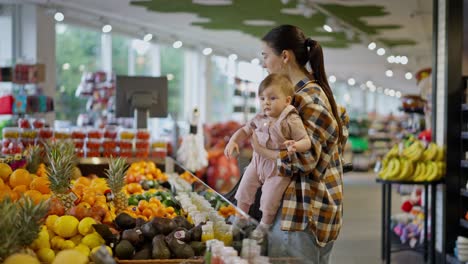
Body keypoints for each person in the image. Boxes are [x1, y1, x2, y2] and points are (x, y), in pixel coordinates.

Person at [252, 25, 349, 264]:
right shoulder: (304, 94)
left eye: (266, 56)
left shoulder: (307, 99)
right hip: (309, 213)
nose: (264, 63)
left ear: (285, 56)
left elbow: (305, 159)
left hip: (300, 215)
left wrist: (262, 151)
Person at [224, 73, 311, 232]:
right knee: (244, 189)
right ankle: (240, 217)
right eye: (262, 99)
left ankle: (264, 226)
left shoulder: (290, 120)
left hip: (277, 168)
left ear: (287, 100)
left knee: (270, 198)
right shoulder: (259, 117)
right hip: (257, 162)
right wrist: (233, 141)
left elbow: (307, 141)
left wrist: (296, 145)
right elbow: (244, 130)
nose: (266, 103)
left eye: (272, 98)